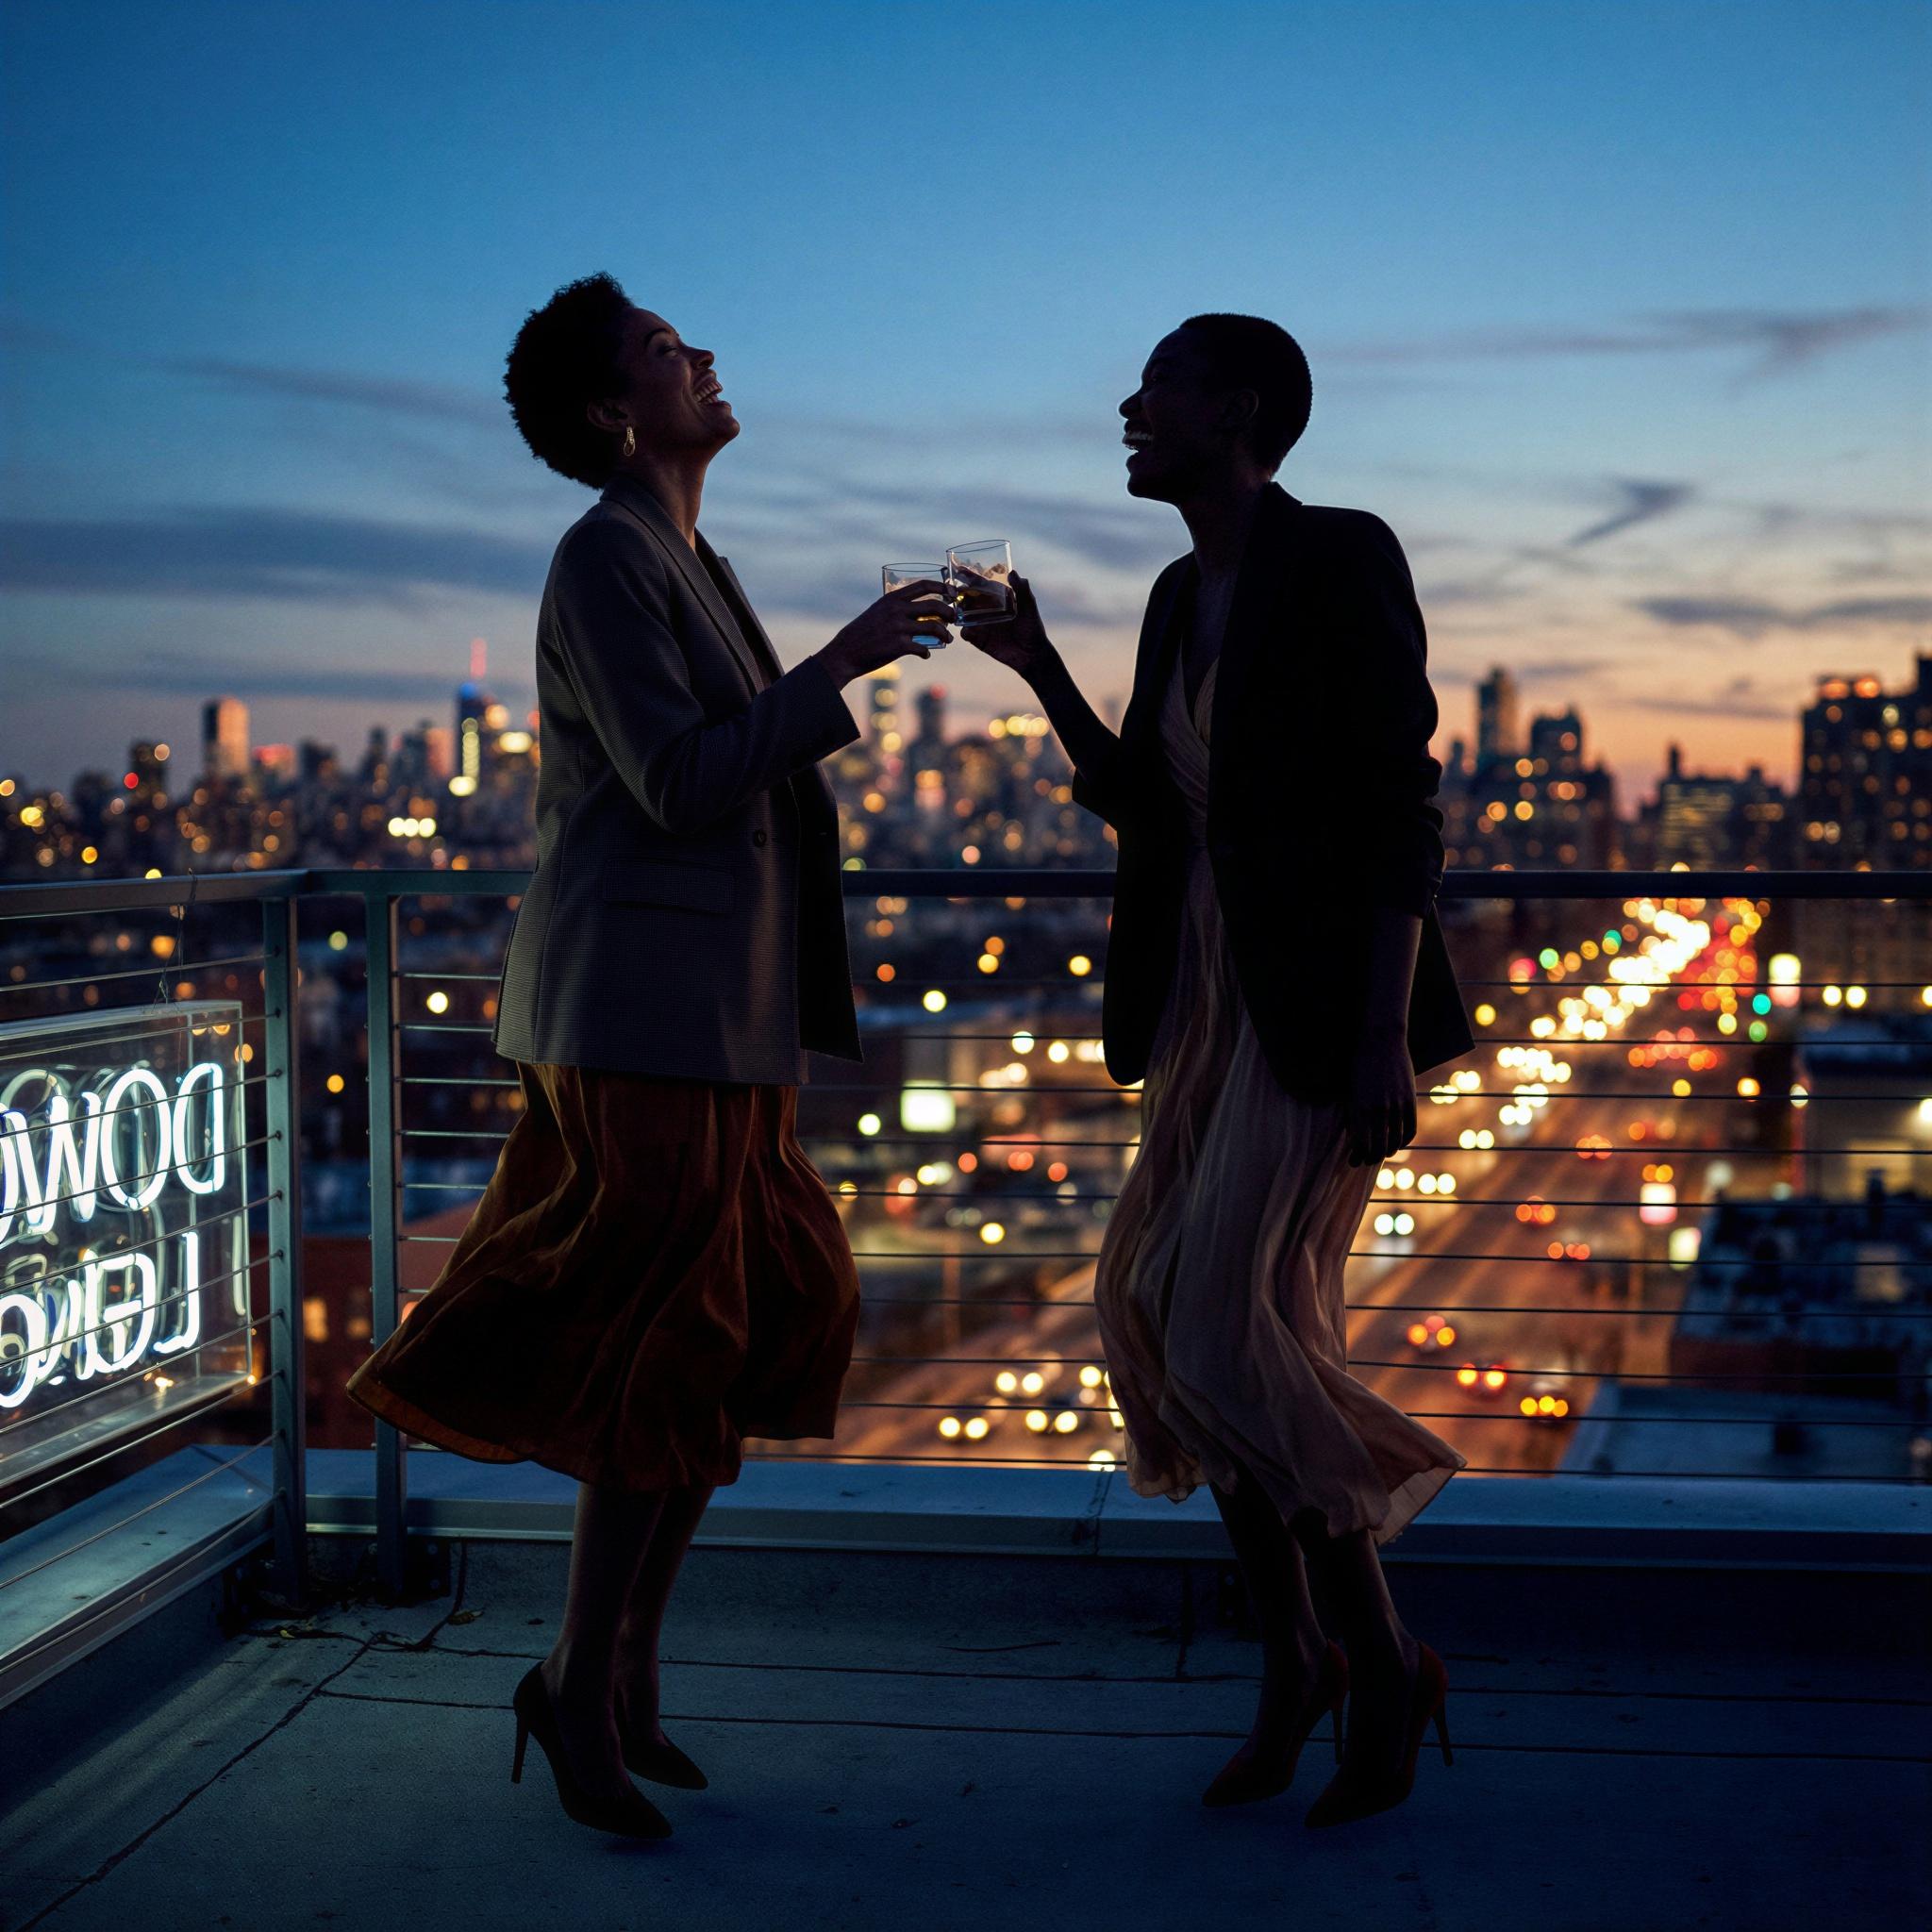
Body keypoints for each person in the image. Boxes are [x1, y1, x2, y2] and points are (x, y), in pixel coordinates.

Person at [344, 274, 948, 1840]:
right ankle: (582, 1677)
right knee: (665, 1341)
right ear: (622, 413)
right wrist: (846, 663)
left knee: (753, 1315)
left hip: (716, 1014)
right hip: (639, 1012)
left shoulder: (689, 556)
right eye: (675, 355)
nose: (708, 360)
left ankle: (619, 1669)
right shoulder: (603, 557)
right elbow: (678, 782)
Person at [966, 313, 1474, 1828]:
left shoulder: (1341, 558)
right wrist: (1037, 658)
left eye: (1163, 379)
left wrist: (1384, 1029)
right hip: (1204, 1008)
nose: (1129, 401)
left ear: (1239, 410)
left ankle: (1368, 1664)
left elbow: (1401, 808)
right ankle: (1304, 1661)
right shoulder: (1182, 591)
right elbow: (1146, 802)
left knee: (1220, 1325)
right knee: (1156, 1313)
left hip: (1319, 1014)